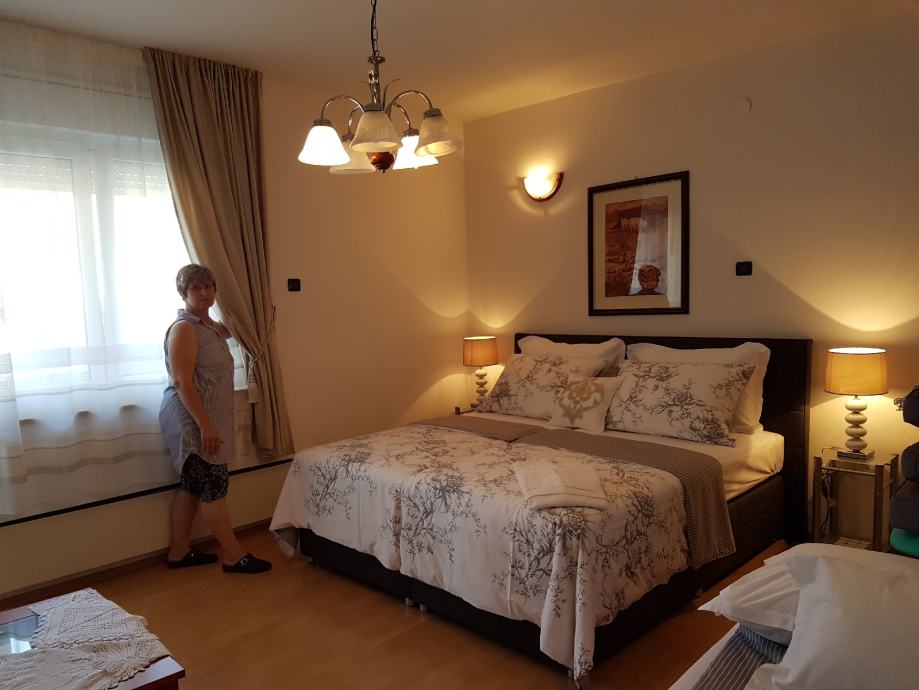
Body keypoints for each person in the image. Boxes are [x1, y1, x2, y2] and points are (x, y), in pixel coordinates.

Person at [159, 264, 271, 574]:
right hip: (193, 421)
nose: (204, 293)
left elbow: (238, 326)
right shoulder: (185, 329)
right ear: (183, 293)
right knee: (213, 487)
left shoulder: (209, 326)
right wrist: (205, 425)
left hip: (206, 418)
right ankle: (234, 555)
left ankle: (179, 551)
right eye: (196, 288)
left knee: (192, 487)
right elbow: (182, 381)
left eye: (209, 287)